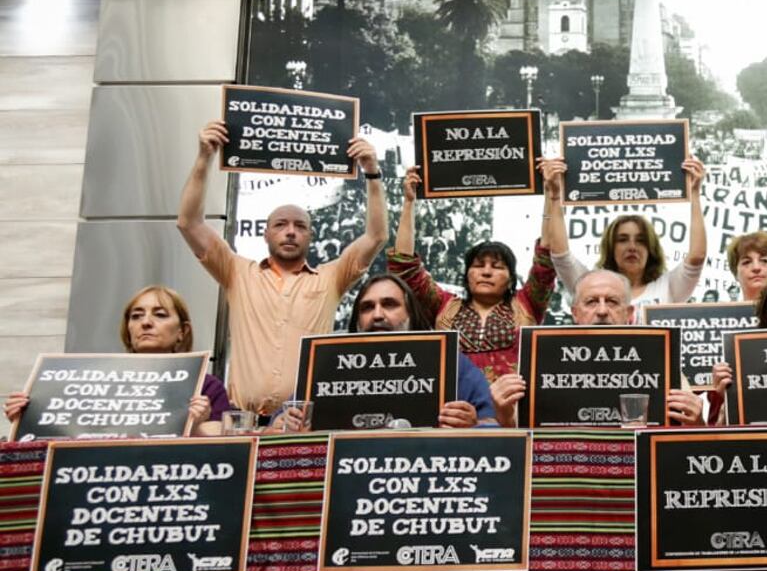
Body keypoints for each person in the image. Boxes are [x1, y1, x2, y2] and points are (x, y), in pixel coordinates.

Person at [177, 120, 388, 413]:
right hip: (243, 420)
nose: (290, 231)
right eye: (280, 225)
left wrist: (372, 172)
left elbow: (376, 236)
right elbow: (189, 223)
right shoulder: (237, 272)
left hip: (306, 420)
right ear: (265, 234)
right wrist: (204, 158)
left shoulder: (330, 278)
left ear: (310, 236)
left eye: (300, 226)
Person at [386, 164, 558, 381]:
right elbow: (405, 268)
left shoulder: (527, 303)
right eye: (478, 266)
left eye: (497, 267)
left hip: (513, 409)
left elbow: (547, 259)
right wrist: (409, 202)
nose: (486, 272)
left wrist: (552, 196)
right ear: (466, 274)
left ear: (511, 279)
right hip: (454, 408)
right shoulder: (444, 305)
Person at [276, 274, 499, 431]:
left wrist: (472, 425)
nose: (377, 315)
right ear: (358, 320)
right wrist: (282, 425)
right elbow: (278, 424)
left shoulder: (451, 363)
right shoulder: (326, 366)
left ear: (411, 313)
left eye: (389, 304)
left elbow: (495, 426)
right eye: (367, 307)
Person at [489, 269, 707, 427]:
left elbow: (690, 445)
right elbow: (520, 444)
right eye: (592, 301)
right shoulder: (538, 364)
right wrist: (504, 415)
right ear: (575, 313)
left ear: (629, 313)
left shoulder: (662, 365)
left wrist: (697, 422)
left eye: (612, 301)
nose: (602, 311)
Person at [6, 285, 228, 436]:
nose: (146, 323)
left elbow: (224, 444)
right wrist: (28, 417)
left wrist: (195, 425)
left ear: (182, 331)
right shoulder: (91, 381)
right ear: (128, 328)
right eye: (136, 316)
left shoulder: (206, 387)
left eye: (160, 315)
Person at [546, 157, 708, 305]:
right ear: (610, 247)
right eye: (622, 239)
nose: (632, 247)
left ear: (651, 249)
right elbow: (561, 255)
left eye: (641, 240)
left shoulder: (668, 287)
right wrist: (554, 196)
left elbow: (697, 257)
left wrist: (695, 194)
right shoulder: (591, 286)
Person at [726, 230, 767, 303]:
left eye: (764, 260)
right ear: (735, 272)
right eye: (746, 262)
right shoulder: (721, 313)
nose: (756, 267)